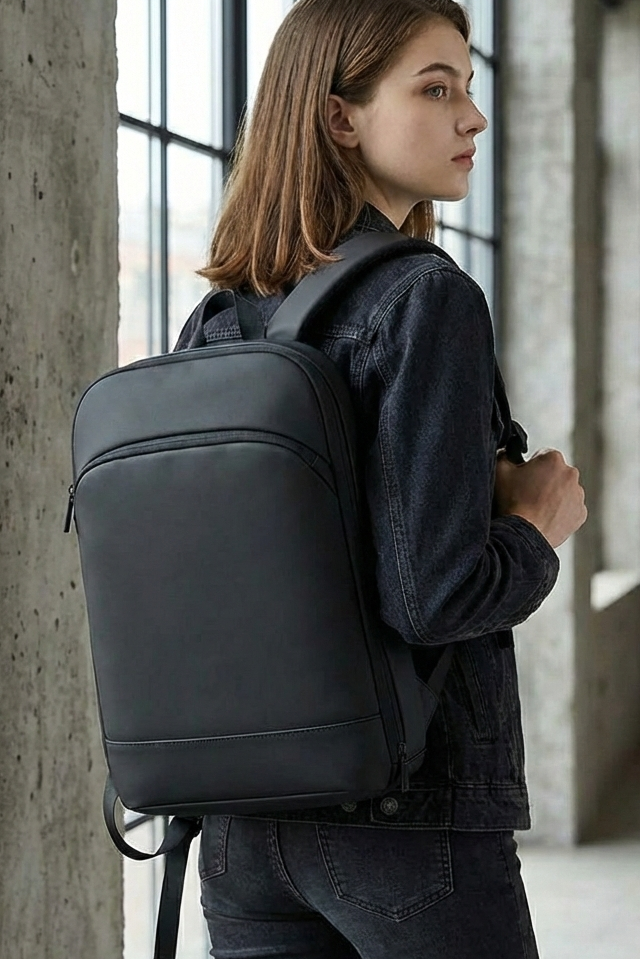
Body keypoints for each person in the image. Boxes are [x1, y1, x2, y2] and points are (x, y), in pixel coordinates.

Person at [174, 1, 588, 956]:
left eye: (468, 87)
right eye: (435, 90)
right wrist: (534, 527)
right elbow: (433, 598)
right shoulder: (424, 296)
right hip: (403, 815)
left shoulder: (219, 318)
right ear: (340, 117)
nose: (472, 116)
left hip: (239, 825)